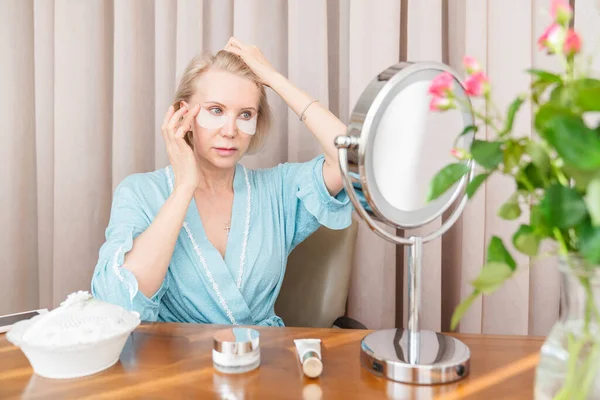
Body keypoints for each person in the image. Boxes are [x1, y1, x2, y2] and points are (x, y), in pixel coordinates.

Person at [91, 38, 353, 326]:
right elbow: (119, 303)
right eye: (216, 110)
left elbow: (350, 156)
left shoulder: (278, 191)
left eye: (245, 114)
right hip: (172, 366)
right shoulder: (140, 193)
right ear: (184, 114)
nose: (230, 130)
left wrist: (274, 80)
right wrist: (184, 188)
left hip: (259, 362)